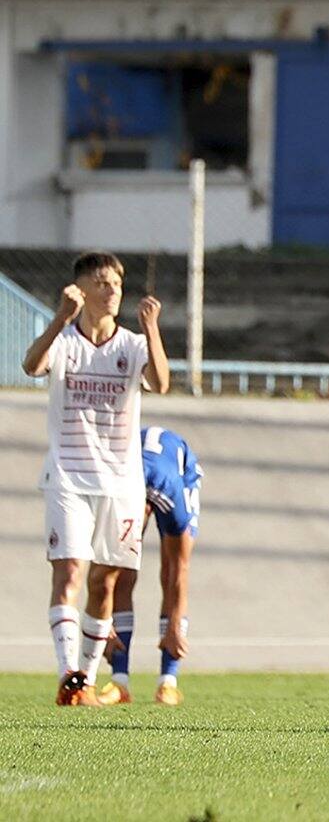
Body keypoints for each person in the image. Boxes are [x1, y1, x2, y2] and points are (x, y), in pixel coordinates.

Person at [20, 251, 170, 706]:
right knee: (69, 571)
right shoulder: (64, 340)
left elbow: (161, 383)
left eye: (117, 285)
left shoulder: (132, 343)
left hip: (122, 482)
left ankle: (83, 680)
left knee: (105, 582)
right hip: (68, 476)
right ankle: (68, 671)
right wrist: (58, 318)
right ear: (80, 289)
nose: (111, 292)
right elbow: (31, 365)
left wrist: (153, 329)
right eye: (102, 283)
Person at [100, 426, 203, 707]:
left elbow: (180, 569)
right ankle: (119, 681)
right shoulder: (113, 488)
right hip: (135, 474)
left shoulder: (168, 492)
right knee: (121, 569)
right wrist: (102, 621)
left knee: (169, 571)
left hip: (178, 475)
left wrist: (174, 627)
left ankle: (168, 681)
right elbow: (104, 567)